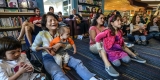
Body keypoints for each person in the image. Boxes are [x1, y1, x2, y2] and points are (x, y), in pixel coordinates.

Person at [31, 12, 102, 80]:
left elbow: (70, 44)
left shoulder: (61, 31)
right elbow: (33, 48)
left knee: (77, 63)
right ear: (45, 24)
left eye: (55, 20)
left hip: (63, 54)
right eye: (50, 21)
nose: (53, 22)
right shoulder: (42, 34)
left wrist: (61, 45)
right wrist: (43, 48)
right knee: (56, 72)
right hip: (48, 57)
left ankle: (92, 78)